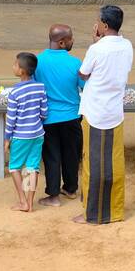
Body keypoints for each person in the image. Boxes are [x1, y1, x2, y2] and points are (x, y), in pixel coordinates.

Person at [75, 5, 134, 225]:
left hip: (96, 113)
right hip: (115, 112)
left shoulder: (97, 49)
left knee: (93, 165)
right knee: (115, 164)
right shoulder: (127, 45)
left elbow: (83, 73)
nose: (96, 24)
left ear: (104, 25)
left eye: (98, 21)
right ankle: (115, 211)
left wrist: (94, 42)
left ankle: (92, 214)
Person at [35, 24, 85, 206]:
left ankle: (54, 196)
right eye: (71, 38)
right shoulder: (76, 63)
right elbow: (85, 87)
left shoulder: (37, 62)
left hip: (47, 118)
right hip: (72, 117)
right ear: (62, 42)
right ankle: (71, 189)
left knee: (51, 156)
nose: (73, 41)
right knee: (72, 154)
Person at [4, 52, 48, 214]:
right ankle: (30, 203)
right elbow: (44, 112)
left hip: (20, 136)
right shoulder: (40, 87)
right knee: (32, 167)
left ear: (21, 71)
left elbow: (11, 119)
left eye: (15, 64)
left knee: (14, 167)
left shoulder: (15, 92)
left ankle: (22, 201)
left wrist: (7, 138)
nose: (13, 66)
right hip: (37, 134)